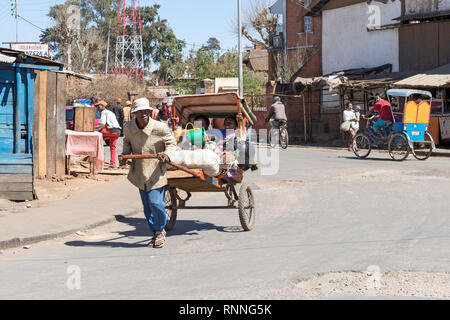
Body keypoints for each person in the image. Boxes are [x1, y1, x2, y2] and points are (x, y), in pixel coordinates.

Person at [119, 98, 177, 249]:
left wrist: (167, 154)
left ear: (150, 112)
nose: (143, 114)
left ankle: (159, 231)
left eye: (146, 111)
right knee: (147, 206)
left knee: (155, 202)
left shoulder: (160, 127)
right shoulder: (128, 127)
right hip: (139, 170)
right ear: (135, 113)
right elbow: (127, 141)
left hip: (156, 169)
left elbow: (171, 143)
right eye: (140, 112)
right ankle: (155, 231)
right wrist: (125, 155)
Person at [95, 100, 122, 168]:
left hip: (111, 131)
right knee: (112, 147)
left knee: (95, 135)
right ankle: (112, 163)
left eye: (98, 106)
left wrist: (94, 129)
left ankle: (96, 158)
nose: (97, 108)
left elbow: (102, 123)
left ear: (102, 106)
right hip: (118, 131)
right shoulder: (110, 112)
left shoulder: (104, 112)